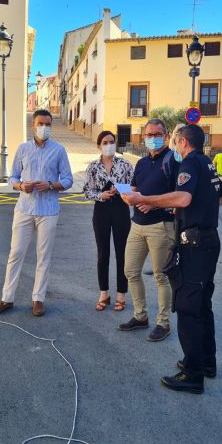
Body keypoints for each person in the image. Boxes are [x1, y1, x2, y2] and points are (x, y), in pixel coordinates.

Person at [122, 124, 222, 394]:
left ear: (182, 142)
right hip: (209, 241)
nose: (173, 144)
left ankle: (192, 374)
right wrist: (190, 205)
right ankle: (206, 363)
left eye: (173, 140)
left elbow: (182, 197)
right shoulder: (207, 164)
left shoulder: (190, 163)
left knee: (188, 307)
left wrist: (147, 199)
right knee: (203, 304)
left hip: (195, 244)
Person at [0, 109, 73, 317]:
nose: (44, 127)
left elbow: (68, 180)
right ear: (33, 125)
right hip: (24, 208)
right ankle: (7, 298)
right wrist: (20, 186)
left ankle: (38, 299)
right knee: (15, 253)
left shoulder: (59, 150)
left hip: (48, 210)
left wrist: (51, 184)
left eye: (48, 124)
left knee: (43, 256)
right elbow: (13, 177)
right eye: (40, 123)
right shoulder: (23, 148)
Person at [117, 119, 180, 342]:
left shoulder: (174, 160)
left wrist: (153, 203)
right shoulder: (142, 163)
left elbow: (180, 196)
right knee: (130, 271)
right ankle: (140, 316)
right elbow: (135, 189)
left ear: (166, 136)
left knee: (161, 276)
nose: (153, 138)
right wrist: (127, 195)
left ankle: (163, 323)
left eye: (157, 134)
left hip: (161, 226)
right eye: (149, 135)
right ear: (144, 137)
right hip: (137, 224)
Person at [83, 130, 134, 311]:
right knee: (102, 252)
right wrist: (101, 195)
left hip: (121, 209)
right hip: (101, 210)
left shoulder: (125, 164)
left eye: (111, 141)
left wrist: (120, 190)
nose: (109, 145)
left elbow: (134, 187)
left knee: (122, 253)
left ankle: (121, 294)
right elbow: (87, 191)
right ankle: (104, 293)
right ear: (99, 145)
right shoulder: (92, 167)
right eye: (105, 142)